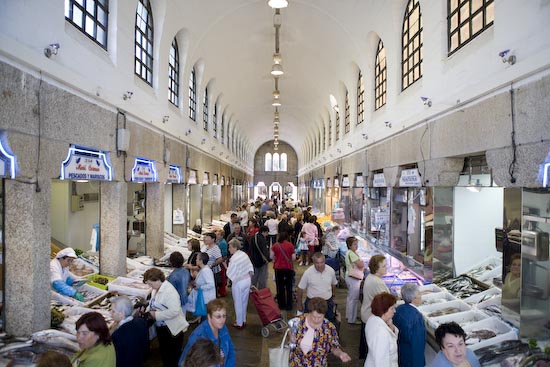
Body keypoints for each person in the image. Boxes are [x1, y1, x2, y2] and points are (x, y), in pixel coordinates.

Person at [143, 267, 189, 367]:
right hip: (162, 327)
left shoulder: (169, 291)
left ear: (158, 280)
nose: (149, 286)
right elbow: (154, 302)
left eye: (150, 283)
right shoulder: (156, 288)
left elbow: (175, 311)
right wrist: (146, 308)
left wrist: (156, 315)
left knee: (172, 356)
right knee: (164, 352)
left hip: (172, 329)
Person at [288, 297, 351, 366]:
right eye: (313, 316)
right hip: (297, 363)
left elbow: (333, 347)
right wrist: (291, 335)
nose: (316, 320)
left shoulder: (329, 328)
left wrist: (340, 353)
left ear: (324, 314)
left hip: (319, 364)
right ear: (310, 312)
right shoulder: (298, 321)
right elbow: (290, 330)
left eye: (319, 317)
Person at [178, 299, 235, 367]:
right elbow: (184, 362)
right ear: (209, 316)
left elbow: (231, 350)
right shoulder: (197, 337)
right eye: (218, 317)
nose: (222, 320)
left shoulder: (222, 327)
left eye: (224, 316)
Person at [359, 254, 389, 359]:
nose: (386, 268)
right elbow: (386, 302)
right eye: (384, 266)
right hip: (371, 317)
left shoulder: (371, 277)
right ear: (376, 268)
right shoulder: (377, 283)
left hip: (366, 315)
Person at [296, 252, 338, 322]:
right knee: (310, 322)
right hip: (312, 304)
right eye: (317, 263)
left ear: (324, 261)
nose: (319, 265)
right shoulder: (308, 273)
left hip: (327, 302)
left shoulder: (331, 271)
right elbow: (300, 289)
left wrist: (333, 296)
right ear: (313, 263)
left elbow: (334, 284)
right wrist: (299, 304)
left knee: (329, 321)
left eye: (321, 262)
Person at [392, 283, 425, 367]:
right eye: (419, 294)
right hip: (412, 358)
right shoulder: (417, 317)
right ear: (413, 299)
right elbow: (417, 344)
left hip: (401, 352)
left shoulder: (398, 309)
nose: (421, 296)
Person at [110, 296, 149, 367]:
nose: (110, 314)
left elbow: (117, 360)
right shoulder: (141, 321)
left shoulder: (117, 335)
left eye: (113, 311)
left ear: (122, 314)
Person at [365, 292, 399, 367]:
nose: (394, 311)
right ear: (383, 310)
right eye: (392, 309)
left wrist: (390, 325)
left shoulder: (372, 319)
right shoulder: (381, 332)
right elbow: (382, 361)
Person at [226, 238, 254, 329]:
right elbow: (250, 268)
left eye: (230, 247)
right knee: (244, 301)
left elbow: (230, 272)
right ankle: (243, 320)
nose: (229, 249)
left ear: (234, 247)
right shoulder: (244, 254)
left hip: (238, 283)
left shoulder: (233, 258)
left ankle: (239, 323)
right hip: (247, 280)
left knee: (238, 302)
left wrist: (226, 266)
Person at [188, 252, 217, 323]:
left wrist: (200, 287)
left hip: (207, 298)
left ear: (201, 260)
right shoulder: (204, 269)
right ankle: (198, 319)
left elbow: (211, 284)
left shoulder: (206, 271)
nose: (196, 260)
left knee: (205, 316)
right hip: (204, 296)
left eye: (197, 259)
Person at [270, 231, 296, 311]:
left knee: (280, 287)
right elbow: (293, 257)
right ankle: (289, 305)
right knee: (289, 287)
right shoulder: (290, 245)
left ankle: (281, 304)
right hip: (288, 268)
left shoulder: (275, 245)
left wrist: (276, 259)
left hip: (278, 268)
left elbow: (271, 256)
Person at [344, 236, 365, 324]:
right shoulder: (352, 254)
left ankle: (349, 316)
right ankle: (352, 319)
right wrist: (363, 263)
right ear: (350, 245)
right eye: (354, 244)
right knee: (354, 299)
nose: (356, 246)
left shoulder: (349, 252)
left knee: (350, 298)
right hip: (354, 278)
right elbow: (360, 264)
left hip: (349, 276)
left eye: (357, 244)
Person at [250, 225, 271, 289]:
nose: (267, 235)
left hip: (254, 260)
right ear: (264, 232)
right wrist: (268, 259)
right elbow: (265, 251)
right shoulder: (262, 239)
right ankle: (261, 290)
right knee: (263, 277)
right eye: (267, 233)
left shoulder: (253, 237)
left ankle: (253, 289)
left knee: (255, 276)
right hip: (262, 261)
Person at [215, 229, 229, 297]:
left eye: (218, 234)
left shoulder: (223, 243)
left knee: (222, 277)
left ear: (221, 235)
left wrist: (220, 260)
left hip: (221, 262)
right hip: (220, 261)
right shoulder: (219, 241)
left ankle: (223, 292)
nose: (216, 236)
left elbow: (224, 254)